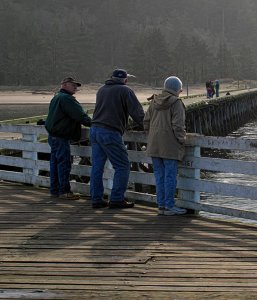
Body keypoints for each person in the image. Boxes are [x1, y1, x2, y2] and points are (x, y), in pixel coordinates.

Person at [90, 69, 144, 209]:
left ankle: (96, 199)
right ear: (125, 80)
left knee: (97, 167)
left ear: (111, 78)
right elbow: (137, 113)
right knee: (122, 166)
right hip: (110, 131)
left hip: (95, 130)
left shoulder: (101, 90)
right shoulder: (125, 90)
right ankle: (116, 199)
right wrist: (147, 126)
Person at [144, 76, 187, 216]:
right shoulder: (176, 103)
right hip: (169, 146)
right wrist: (182, 140)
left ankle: (161, 205)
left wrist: (152, 136)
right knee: (170, 176)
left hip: (154, 145)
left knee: (159, 176)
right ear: (177, 89)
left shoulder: (154, 101)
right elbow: (178, 126)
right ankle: (169, 206)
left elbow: (146, 122)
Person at [45, 77, 92, 200]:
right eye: (73, 85)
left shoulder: (56, 97)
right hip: (61, 136)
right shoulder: (67, 99)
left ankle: (54, 190)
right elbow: (80, 116)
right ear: (64, 85)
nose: (76, 88)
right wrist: (95, 123)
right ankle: (64, 191)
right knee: (64, 163)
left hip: (53, 135)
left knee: (54, 163)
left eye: (76, 86)